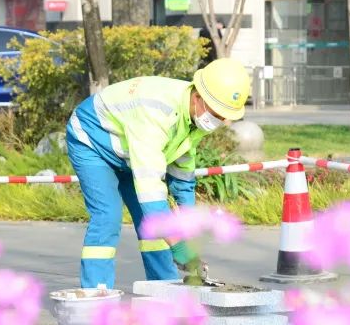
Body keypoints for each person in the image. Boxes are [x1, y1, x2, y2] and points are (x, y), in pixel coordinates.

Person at [65, 57, 251, 288]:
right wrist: (179, 247)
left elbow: (182, 174)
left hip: (130, 153)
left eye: (224, 116)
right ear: (197, 97)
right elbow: (150, 190)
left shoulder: (195, 116)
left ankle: (165, 289)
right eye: (217, 113)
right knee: (108, 217)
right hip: (92, 141)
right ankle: (95, 293)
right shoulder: (157, 112)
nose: (219, 120)